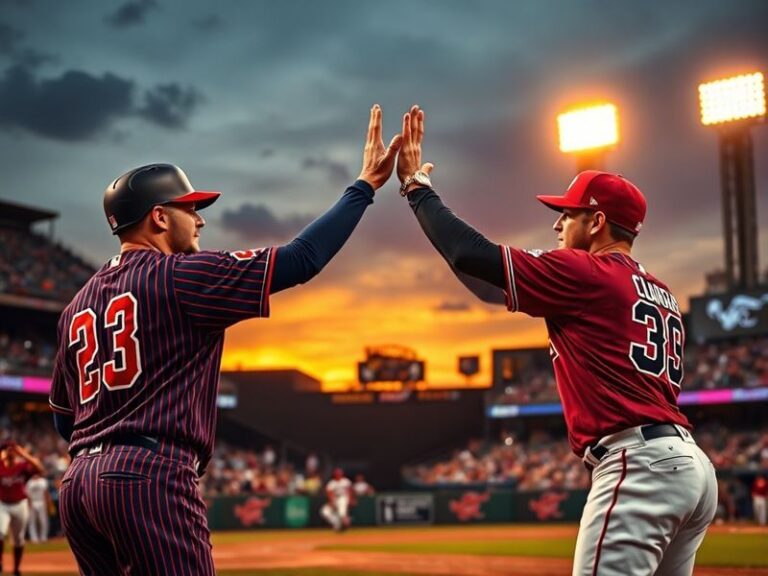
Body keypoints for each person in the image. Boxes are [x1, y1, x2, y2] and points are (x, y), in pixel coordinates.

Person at [49, 104, 402, 575]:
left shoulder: (76, 305)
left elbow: (62, 418)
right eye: (190, 208)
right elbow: (303, 259)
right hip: (147, 477)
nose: (200, 220)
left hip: (78, 487)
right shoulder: (180, 275)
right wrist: (364, 187)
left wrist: (101, 443)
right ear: (158, 217)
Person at [397, 104, 718, 575]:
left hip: (638, 464)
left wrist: (416, 191)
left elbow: (471, 253)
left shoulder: (588, 272)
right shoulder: (660, 292)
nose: (556, 225)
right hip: (691, 468)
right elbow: (487, 277)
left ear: (596, 222)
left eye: (567, 215)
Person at [0, 442, 44, 576]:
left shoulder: (22, 466)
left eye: (12, 450)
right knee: (0, 534)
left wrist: (23, 454)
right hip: (2, 504)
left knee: (18, 539)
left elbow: (40, 469)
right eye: (6, 450)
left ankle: (16, 568)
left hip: (20, 504)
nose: (10, 452)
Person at [321, 468, 352, 532]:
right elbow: (329, 493)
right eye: (337, 473)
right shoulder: (332, 483)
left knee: (342, 514)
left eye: (339, 473)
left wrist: (350, 499)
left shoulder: (345, 481)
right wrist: (331, 502)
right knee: (324, 511)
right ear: (334, 474)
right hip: (334, 498)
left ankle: (343, 522)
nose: (338, 474)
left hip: (343, 497)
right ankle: (338, 524)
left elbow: (350, 491)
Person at [25, 471, 52, 543]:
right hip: (33, 502)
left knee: (43, 521)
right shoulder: (29, 482)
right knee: (32, 521)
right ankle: (34, 538)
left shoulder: (43, 481)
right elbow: (28, 496)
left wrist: (49, 504)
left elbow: (46, 493)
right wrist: (28, 505)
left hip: (42, 501)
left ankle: (43, 537)